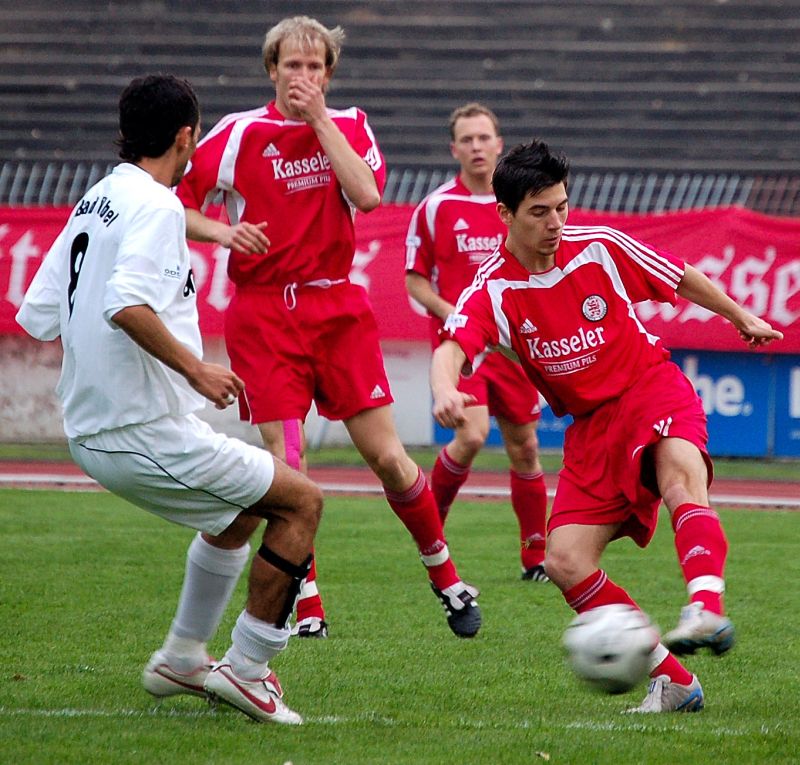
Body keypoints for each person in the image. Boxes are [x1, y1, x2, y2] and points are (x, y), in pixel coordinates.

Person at [431, 139, 783, 712]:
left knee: (679, 476)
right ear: (505, 214)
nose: (556, 222)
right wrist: (446, 388)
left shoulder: (599, 247)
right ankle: (674, 680)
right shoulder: (493, 288)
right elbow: (452, 346)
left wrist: (739, 315)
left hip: (650, 389)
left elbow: (680, 276)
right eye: (539, 212)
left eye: (562, 206)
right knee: (564, 561)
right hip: (592, 430)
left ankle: (705, 605)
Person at [16, 74, 324, 725]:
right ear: (186, 137)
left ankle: (182, 657)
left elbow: (38, 314)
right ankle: (248, 671)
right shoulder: (157, 206)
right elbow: (126, 303)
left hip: (113, 422)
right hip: (135, 429)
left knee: (239, 514)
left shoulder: (97, 198)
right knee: (301, 501)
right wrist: (196, 368)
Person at [175, 16, 480, 638]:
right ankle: (306, 600)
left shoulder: (350, 124)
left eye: (315, 67)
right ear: (272, 69)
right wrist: (222, 232)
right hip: (264, 314)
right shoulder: (237, 133)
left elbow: (367, 196)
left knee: (389, 458)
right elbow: (176, 207)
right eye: (293, 65)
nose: (304, 76)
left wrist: (318, 120)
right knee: (287, 462)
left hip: (337, 309)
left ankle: (446, 578)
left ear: (329, 74)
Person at [405, 103, 548, 582]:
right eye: (467, 140)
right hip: (462, 347)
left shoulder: (522, 206)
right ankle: (430, 533)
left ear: (499, 144)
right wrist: (455, 313)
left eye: (484, 138)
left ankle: (534, 558)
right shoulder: (436, 208)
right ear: (454, 149)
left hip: (514, 345)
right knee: (471, 434)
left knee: (526, 447)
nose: (476, 147)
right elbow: (414, 280)